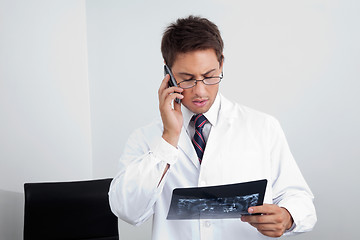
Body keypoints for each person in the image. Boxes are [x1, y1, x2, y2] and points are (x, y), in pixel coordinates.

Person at [109, 15, 317, 240]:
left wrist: (288, 216)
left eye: (209, 76)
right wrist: (168, 138)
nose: (200, 91)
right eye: (187, 79)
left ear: (221, 64)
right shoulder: (145, 138)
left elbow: (299, 198)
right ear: (167, 75)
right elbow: (127, 211)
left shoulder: (263, 127)